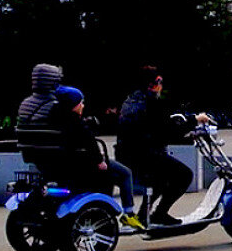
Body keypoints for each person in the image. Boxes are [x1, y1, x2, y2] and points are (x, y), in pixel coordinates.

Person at [15, 63, 144, 229]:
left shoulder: (26, 104)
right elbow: (85, 138)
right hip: (70, 162)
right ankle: (127, 213)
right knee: (124, 173)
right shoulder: (56, 105)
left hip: (40, 160)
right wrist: (99, 160)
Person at [115, 66, 209, 226]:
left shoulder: (131, 101)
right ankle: (159, 213)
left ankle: (144, 215)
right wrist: (195, 120)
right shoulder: (151, 103)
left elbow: (157, 130)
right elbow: (168, 130)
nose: (161, 86)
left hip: (127, 155)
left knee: (161, 177)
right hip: (144, 156)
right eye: (160, 82)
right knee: (184, 175)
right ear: (153, 84)